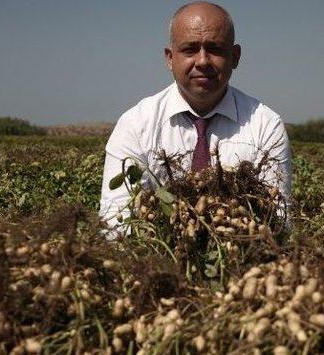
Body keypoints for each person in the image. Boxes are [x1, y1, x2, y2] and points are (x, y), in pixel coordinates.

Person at [99, 1, 291, 233]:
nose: (202, 61)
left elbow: (278, 223)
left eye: (216, 49)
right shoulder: (136, 124)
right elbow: (116, 223)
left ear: (235, 56)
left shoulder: (266, 126)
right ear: (170, 58)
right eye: (190, 49)